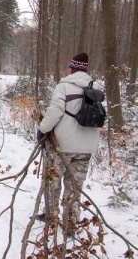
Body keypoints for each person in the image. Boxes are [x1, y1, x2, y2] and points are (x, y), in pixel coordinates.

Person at [36, 53, 101, 228]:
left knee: (53, 180)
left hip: (63, 145)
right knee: (75, 185)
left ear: (72, 68)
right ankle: (71, 221)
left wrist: (42, 130)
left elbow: (56, 111)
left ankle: (51, 215)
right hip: (86, 146)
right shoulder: (96, 88)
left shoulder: (64, 86)